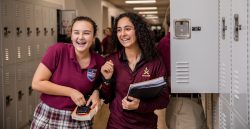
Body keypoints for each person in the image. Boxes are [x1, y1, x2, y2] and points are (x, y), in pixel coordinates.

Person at [30, 16, 105, 129]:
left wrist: (96, 93)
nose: (80, 37)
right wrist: (71, 92)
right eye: (76, 32)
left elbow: (99, 85)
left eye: (86, 33)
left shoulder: (99, 61)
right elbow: (37, 83)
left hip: (80, 117)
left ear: (94, 36)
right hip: (50, 115)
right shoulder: (57, 51)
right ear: (71, 35)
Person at [100, 12, 170, 129]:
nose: (122, 34)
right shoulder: (112, 60)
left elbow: (164, 100)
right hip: (117, 125)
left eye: (127, 29)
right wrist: (107, 80)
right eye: (119, 30)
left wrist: (140, 105)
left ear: (138, 30)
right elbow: (106, 98)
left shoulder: (154, 61)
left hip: (146, 125)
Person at [157, 6, 208, 129]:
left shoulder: (182, 41)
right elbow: (168, 78)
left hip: (191, 102)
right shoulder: (167, 43)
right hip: (182, 103)